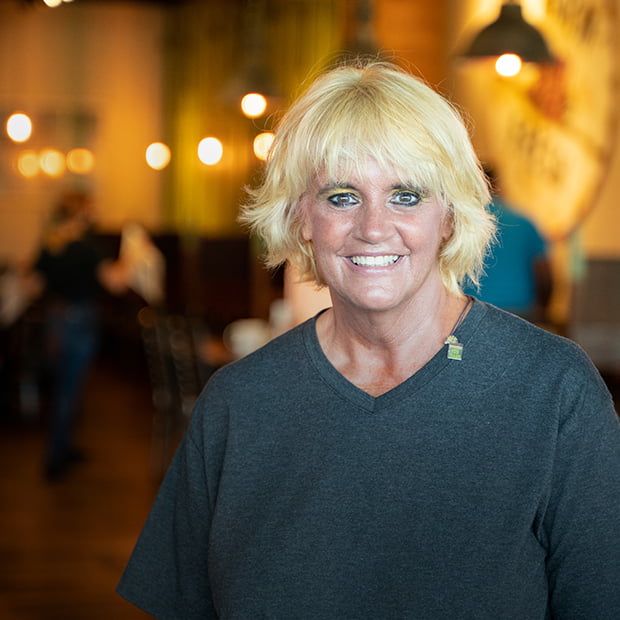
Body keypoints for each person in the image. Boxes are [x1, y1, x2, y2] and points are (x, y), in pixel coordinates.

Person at [117, 60, 620, 618]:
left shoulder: (553, 392)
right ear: (300, 217)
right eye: (341, 196)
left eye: (406, 195)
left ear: (449, 217)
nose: (374, 227)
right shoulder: (238, 403)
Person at [32, 191, 127, 480]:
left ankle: (64, 447)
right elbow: (116, 283)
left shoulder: (51, 245)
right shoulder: (87, 248)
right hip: (80, 321)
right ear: (81, 214)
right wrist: (133, 258)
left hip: (54, 320)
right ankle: (56, 457)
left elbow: (34, 284)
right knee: (68, 391)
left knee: (63, 387)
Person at [463, 166, 553, 322]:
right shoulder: (523, 221)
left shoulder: (463, 222)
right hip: (520, 310)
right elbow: (544, 273)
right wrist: (543, 311)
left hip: (471, 311)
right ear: (497, 185)